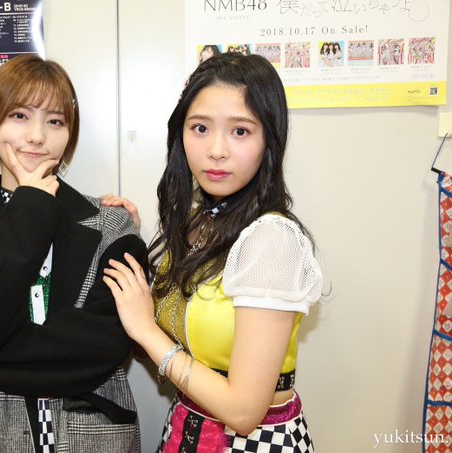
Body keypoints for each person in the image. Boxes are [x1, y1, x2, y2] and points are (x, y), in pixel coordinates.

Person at [0, 55, 146, 453]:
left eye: (55, 121)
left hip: (93, 439)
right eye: (19, 116)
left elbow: (100, 349)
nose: (37, 136)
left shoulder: (112, 223)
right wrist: (30, 207)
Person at [102, 52, 323, 452]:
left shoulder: (271, 239)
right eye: (200, 128)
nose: (216, 149)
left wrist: (146, 330)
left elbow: (243, 412)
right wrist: (129, 238)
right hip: (187, 428)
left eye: (240, 131)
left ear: (269, 140)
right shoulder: (198, 221)